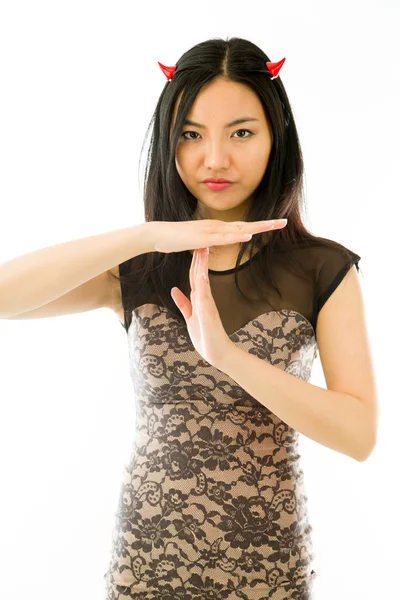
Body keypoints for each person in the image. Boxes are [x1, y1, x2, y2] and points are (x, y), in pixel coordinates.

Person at [0, 36, 377, 600]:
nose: (215, 159)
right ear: (168, 145)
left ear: (278, 138)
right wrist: (149, 233)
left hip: (267, 565)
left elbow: (358, 434)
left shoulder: (320, 267)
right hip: (146, 561)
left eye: (242, 132)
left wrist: (227, 357)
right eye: (191, 135)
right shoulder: (139, 265)